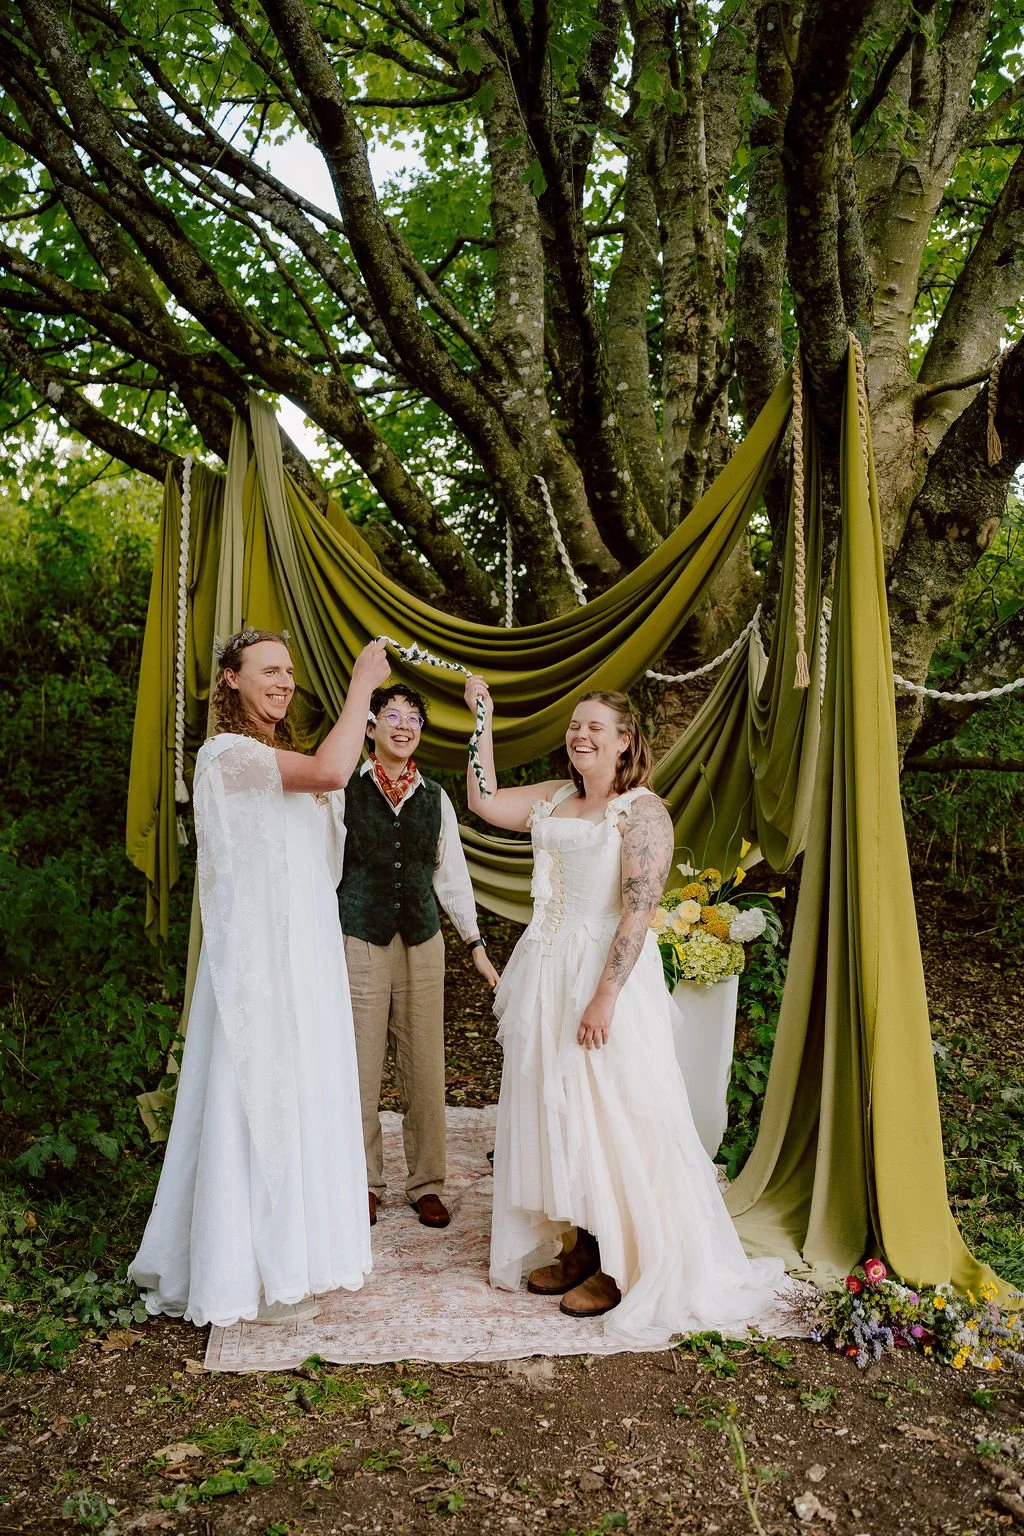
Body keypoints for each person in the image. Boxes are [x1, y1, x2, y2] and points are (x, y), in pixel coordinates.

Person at [463, 679, 788, 1347]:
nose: (579, 734)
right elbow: (484, 800)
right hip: (546, 970)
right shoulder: (555, 796)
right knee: (558, 1111)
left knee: (613, 1115)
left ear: (624, 741)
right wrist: (482, 722)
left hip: (601, 975)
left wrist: (605, 995)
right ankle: (579, 1247)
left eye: (594, 727)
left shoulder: (642, 813)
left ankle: (621, 1261)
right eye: (575, 725)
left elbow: (639, 910)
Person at [130, 629, 391, 1328]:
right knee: (258, 1100)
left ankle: (300, 1256)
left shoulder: (276, 761)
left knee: (305, 1095)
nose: (284, 681)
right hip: (259, 964)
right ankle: (248, 1270)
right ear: (230, 680)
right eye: (269, 670)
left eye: (289, 671)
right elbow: (335, 772)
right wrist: (363, 684)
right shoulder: (228, 756)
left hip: (305, 954)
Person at [339, 683, 499, 1230]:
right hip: (359, 934)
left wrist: (474, 943)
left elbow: (450, 876)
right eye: (392, 715)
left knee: (425, 1065)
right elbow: (323, 870)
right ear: (370, 726)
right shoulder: (344, 791)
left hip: (422, 939)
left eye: (414, 719)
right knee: (359, 1067)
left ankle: (427, 1183)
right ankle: (362, 1183)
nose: (403, 726)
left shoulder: (436, 796)